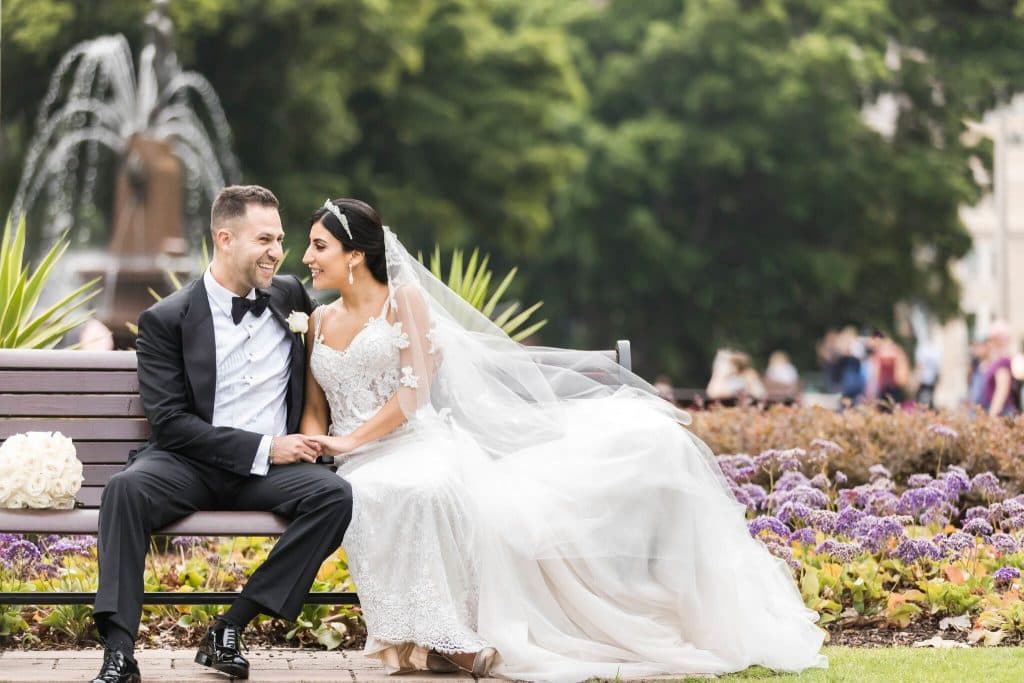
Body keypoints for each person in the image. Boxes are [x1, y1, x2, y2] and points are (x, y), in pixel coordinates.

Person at [300, 198, 826, 681]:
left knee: (430, 488)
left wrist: (349, 443)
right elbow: (314, 409)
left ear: (355, 254)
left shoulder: (405, 301)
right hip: (357, 459)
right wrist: (315, 449)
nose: (306, 257)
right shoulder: (319, 319)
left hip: (413, 440)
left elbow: (412, 397)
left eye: (318, 245)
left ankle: (446, 634)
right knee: (380, 493)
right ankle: (428, 636)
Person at [91, 186, 353, 683]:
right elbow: (170, 424)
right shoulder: (167, 318)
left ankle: (230, 626)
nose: (277, 250)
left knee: (334, 496)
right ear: (225, 239)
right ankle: (119, 652)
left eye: (279, 238)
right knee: (124, 489)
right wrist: (265, 446)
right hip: (189, 465)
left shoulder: (290, 295)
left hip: (269, 474)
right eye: (264, 239)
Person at [980, 320, 1019, 417]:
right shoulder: (996, 360)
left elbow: (1002, 390)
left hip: (1001, 412)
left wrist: (992, 415)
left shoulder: (1003, 362)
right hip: (994, 409)